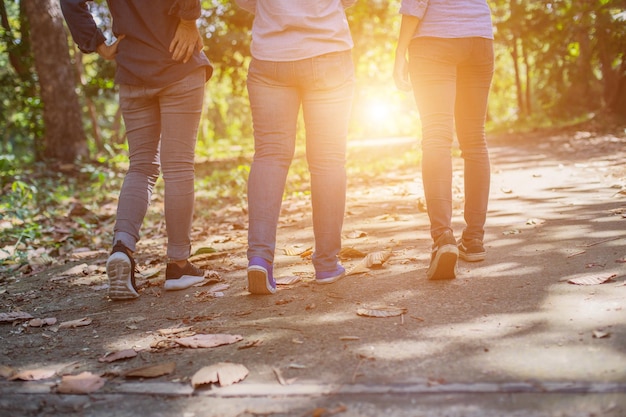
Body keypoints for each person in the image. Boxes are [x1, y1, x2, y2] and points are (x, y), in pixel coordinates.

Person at [60, 0, 213, 299]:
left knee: (141, 166)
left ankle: (122, 250)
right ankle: (179, 264)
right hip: (178, 62)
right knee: (178, 166)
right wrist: (188, 20)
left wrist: (96, 43)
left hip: (132, 69)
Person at [234, 0, 357, 294]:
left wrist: (275, 10)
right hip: (328, 51)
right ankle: (327, 264)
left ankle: (260, 258)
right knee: (328, 160)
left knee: (269, 156)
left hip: (271, 56)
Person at [393, 0, 494, 279]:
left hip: (433, 39)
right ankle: (473, 239)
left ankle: (443, 238)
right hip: (479, 36)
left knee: (437, 137)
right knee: (475, 140)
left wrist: (400, 50)